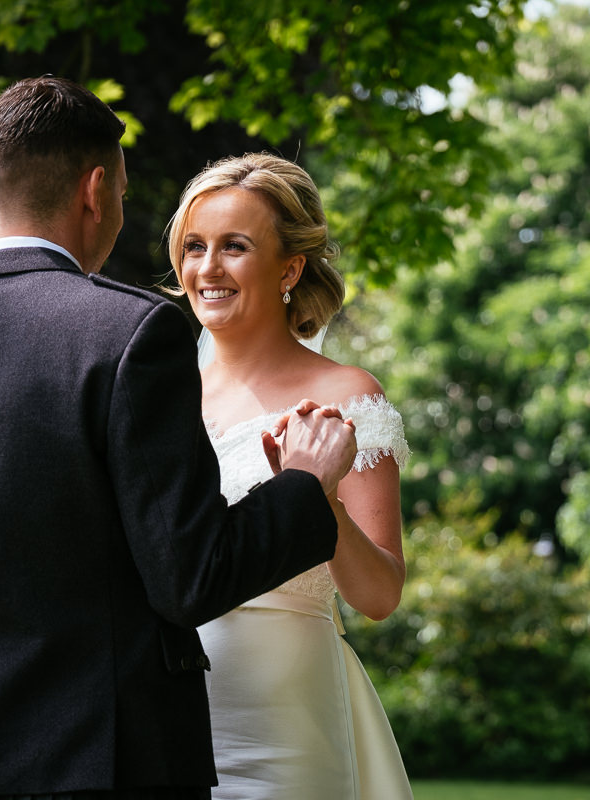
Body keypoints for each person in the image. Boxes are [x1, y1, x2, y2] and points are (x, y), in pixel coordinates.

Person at [0, 77, 358, 799]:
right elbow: (190, 576)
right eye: (120, 189)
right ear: (95, 191)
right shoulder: (130, 335)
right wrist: (303, 485)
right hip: (108, 770)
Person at [164, 153, 413, 800]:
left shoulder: (344, 398)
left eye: (235, 247)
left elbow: (380, 593)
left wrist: (317, 496)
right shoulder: (159, 398)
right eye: (194, 247)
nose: (207, 268)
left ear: (290, 268)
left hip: (288, 722)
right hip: (166, 711)